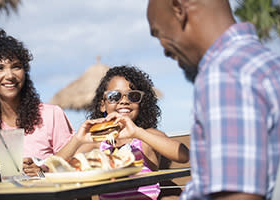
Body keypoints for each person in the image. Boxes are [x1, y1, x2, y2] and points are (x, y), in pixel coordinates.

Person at [147, 0, 280, 200]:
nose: (164, 50)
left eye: (158, 33)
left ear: (179, 9)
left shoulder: (225, 73)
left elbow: (237, 196)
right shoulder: (263, 62)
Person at [57, 65, 189, 200]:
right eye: (114, 96)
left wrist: (137, 132)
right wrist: (77, 139)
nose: (124, 101)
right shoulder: (98, 145)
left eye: (133, 96)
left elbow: (184, 155)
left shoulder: (145, 138)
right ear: (103, 104)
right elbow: (48, 171)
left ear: (141, 104)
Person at [0, 29, 74, 177]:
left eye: (16, 67)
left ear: (25, 71)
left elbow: (73, 165)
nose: (9, 75)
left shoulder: (51, 115)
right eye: (0, 68)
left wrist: (42, 172)